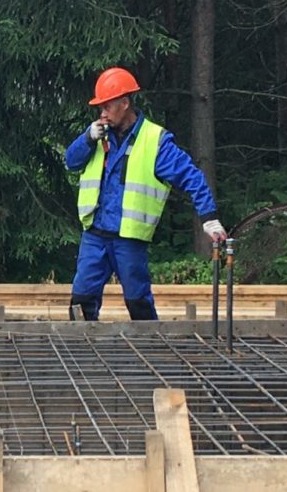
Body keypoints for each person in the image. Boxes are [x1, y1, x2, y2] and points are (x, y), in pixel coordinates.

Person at [62, 67, 225, 321]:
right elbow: (71, 162)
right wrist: (87, 138)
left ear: (125, 103)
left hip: (128, 238)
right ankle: (80, 344)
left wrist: (209, 217)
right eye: (100, 107)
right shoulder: (97, 136)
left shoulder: (155, 141)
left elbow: (191, 177)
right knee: (81, 299)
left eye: (107, 106)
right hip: (95, 234)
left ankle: (150, 343)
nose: (102, 113)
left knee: (138, 301)